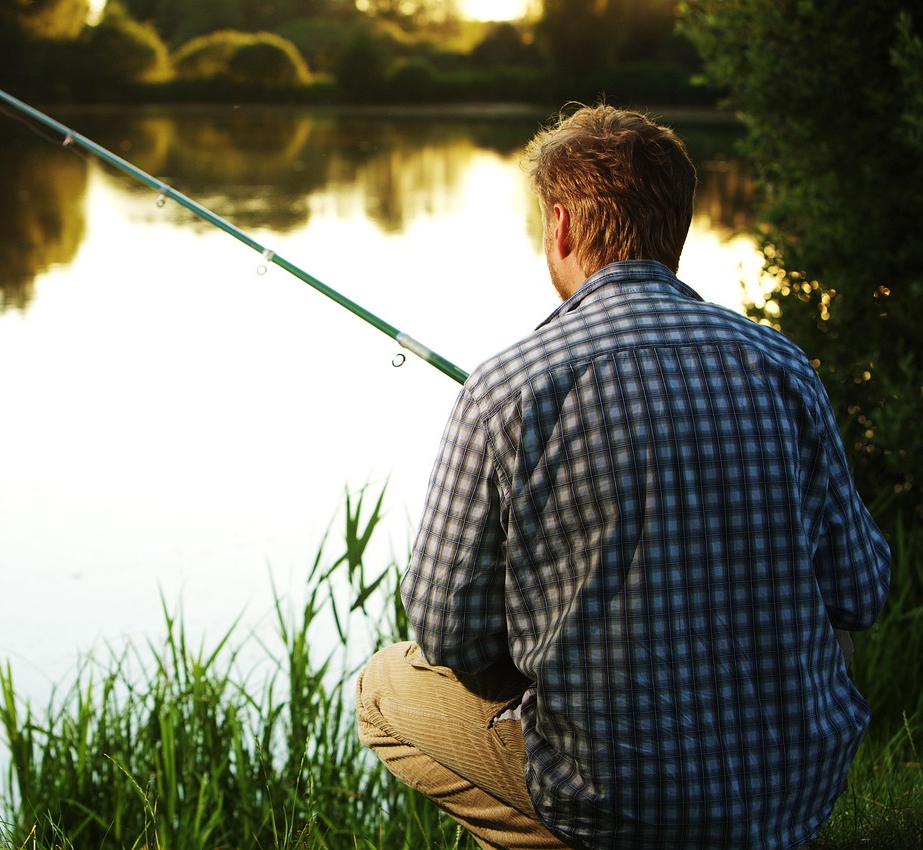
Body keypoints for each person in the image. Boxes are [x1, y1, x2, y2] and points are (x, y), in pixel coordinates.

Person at [355, 104, 892, 850]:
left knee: (383, 689)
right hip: (793, 797)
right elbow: (862, 589)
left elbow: (447, 632)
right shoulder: (782, 366)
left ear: (563, 226)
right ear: (676, 229)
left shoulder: (505, 387)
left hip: (614, 801)